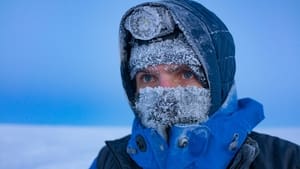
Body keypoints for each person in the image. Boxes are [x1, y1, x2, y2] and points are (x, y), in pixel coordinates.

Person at [90, 0, 300, 168]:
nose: (164, 91)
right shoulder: (110, 161)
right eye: (148, 78)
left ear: (218, 79)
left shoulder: (286, 161)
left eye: (185, 73)